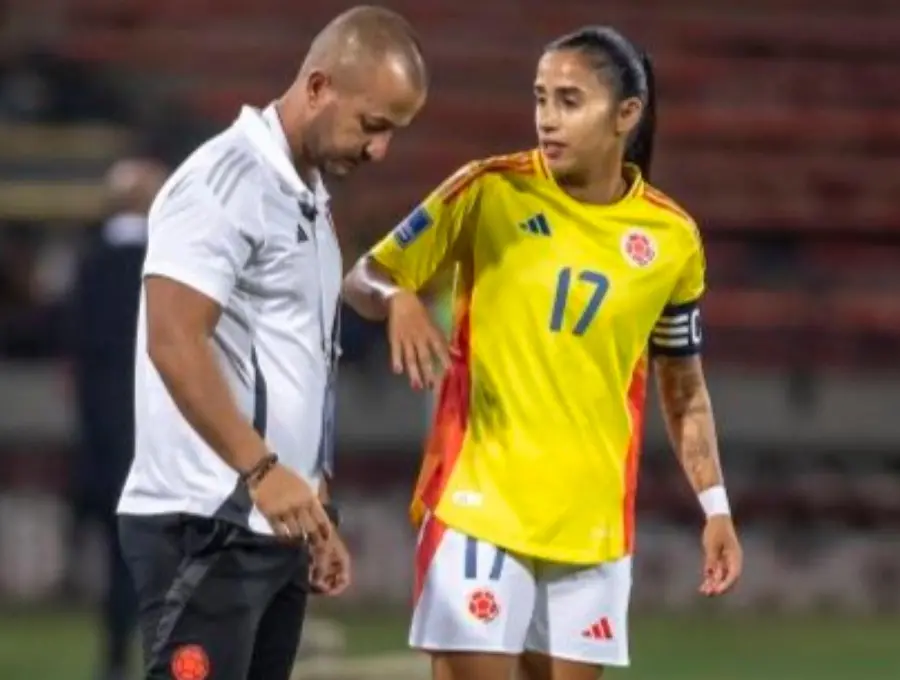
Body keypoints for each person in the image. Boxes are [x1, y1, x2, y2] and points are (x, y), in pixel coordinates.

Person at [343, 25, 743, 680]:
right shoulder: (488, 191)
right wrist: (400, 299)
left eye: (568, 101)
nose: (547, 120)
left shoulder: (670, 238)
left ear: (626, 115)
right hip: (479, 506)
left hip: (591, 527)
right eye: (540, 99)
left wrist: (716, 508)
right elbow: (365, 276)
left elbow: (684, 388)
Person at [115, 7, 428, 680]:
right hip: (208, 524)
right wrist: (261, 471)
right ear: (318, 87)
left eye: (393, 133)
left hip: (268, 522)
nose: (380, 151)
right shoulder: (223, 183)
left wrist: (311, 507)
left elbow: (293, 367)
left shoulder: (306, 198)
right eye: (373, 125)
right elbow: (173, 340)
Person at [69, 157, 168, 680]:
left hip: (103, 435)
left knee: (119, 554)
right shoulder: (168, 258)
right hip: (164, 429)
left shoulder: (88, 263)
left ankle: (114, 657)